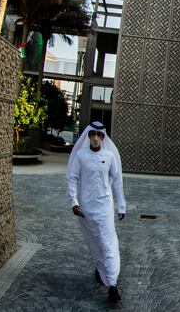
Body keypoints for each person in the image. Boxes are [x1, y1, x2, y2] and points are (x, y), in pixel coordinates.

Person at [66, 121, 126, 303]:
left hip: (105, 208)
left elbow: (117, 181)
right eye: (92, 135)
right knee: (94, 242)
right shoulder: (81, 156)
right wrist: (74, 202)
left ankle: (113, 285)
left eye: (99, 135)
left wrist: (122, 205)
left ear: (102, 137)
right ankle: (101, 270)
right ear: (88, 136)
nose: (95, 138)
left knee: (108, 243)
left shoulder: (109, 156)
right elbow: (72, 178)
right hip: (86, 210)